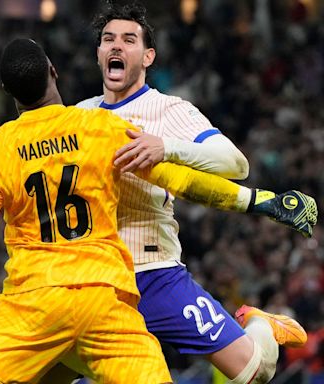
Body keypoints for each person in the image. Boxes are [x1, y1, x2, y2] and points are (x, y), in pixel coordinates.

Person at [0, 39, 316, 383]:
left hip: (36, 305)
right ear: (54, 70)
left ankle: (257, 326)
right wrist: (264, 201)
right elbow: (181, 180)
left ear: (7, 91)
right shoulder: (98, 126)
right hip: (104, 298)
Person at [47, 3, 313, 384]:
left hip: (153, 274)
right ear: (99, 54)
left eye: (128, 39)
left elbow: (236, 164)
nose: (116, 47)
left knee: (253, 372)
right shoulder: (78, 116)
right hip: (91, 281)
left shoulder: (168, 110)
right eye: (108, 40)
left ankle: (261, 326)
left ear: (148, 56)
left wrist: (166, 147)